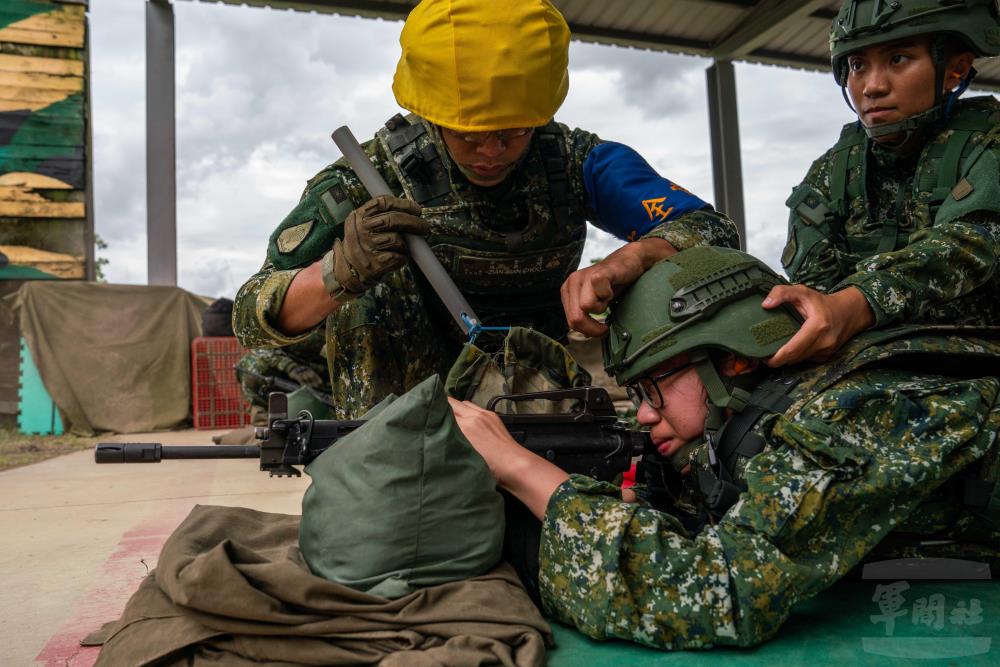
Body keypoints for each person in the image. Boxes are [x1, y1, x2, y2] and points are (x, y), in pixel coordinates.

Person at [450, 245, 1000, 649]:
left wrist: (520, 469)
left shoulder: (855, 408)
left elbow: (718, 592)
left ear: (732, 360)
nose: (642, 413)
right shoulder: (766, 408)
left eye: (652, 389)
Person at [232, 0, 737, 419]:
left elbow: (713, 234)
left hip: (530, 395)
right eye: (469, 136)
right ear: (432, 116)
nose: (491, 152)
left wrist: (631, 260)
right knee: (371, 288)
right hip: (405, 414)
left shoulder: (576, 161)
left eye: (513, 132)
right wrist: (339, 273)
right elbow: (251, 314)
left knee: (678, 264)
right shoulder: (367, 179)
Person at [765, 0, 1000, 368]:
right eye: (857, 65)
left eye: (898, 59)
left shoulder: (987, 144)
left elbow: (968, 247)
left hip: (977, 353)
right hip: (869, 354)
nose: (872, 87)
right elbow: (812, 269)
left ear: (956, 69)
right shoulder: (839, 166)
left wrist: (855, 304)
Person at [234, 327, 330, 424]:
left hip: (333, 384)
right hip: (296, 378)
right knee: (252, 365)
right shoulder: (291, 318)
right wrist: (290, 367)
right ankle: (264, 420)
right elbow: (261, 348)